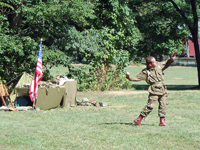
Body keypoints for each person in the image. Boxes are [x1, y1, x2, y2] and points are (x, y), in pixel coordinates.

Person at [126, 52, 177, 126]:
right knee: (150, 105)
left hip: (163, 89)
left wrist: (171, 59)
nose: (156, 62)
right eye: (154, 62)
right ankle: (138, 119)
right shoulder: (145, 72)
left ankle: (162, 122)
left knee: (163, 105)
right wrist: (129, 77)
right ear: (149, 64)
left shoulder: (158, 66)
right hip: (154, 90)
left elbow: (166, 63)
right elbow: (136, 78)